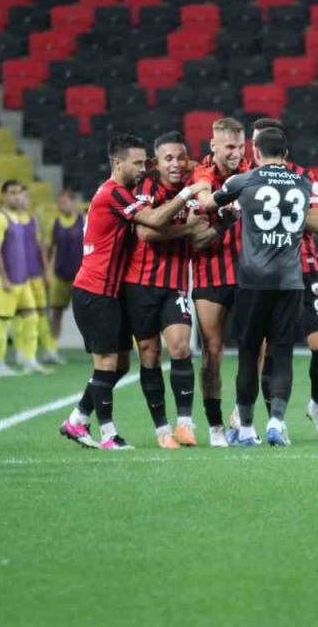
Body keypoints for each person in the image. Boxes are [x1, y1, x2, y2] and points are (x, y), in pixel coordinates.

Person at [57, 134, 192, 450]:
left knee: (120, 365)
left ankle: (77, 419)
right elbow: (153, 221)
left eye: (146, 161)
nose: (144, 168)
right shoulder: (113, 194)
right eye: (137, 162)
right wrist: (187, 194)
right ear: (118, 163)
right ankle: (108, 435)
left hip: (108, 292)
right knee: (105, 364)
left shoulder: (117, 192)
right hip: (95, 291)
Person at [212, 128, 316, 447]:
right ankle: (276, 422)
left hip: (253, 282)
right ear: (285, 154)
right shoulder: (303, 182)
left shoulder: (245, 180)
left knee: (247, 355)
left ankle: (245, 429)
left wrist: (202, 195)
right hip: (290, 281)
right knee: (282, 353)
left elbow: (211, 203)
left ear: (255, 152)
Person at [122, 131, 218, 448]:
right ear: (156, 162)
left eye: (180, 157)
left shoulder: (196, 185)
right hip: (139, 285)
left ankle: (185, 424)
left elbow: (200, 236)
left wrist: (217, 227)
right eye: (168, 158)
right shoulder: (147, 187)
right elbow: (146, 235)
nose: (175, 164)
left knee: (180, 349)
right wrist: (188, 226)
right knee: (149, 354)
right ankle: (162, 430)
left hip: (176, 283)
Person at [250, 118, 318, 443]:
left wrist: (281, 211)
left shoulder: (305, 177)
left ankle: (317, 405)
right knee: (271, 348)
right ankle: (277, 419)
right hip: (268, 274)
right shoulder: (248, 180)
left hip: (305, 268)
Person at [189, 118, 250, 436]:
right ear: (213, 146)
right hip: (211, 273)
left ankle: (241, 412)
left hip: (251, 274)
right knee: (212, 350)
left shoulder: (253, 169)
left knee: (257, 345)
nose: (236, 153)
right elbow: (195, 235)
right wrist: (225, 219)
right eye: (229, 147)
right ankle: (214, 425)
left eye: (241, 146)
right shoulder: (201, 176)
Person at [0, 180, 47, 377]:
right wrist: (3, 277)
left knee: (32, 318)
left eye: (18, 192)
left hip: (23, 280)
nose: (16, 196)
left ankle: (29, 360)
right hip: (6, 281)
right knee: (2, 322)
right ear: (3, 196)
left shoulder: (20, 218)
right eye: (11, 193)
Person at [17, 187, 62, 366]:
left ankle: (49, 350)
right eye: (21, 196)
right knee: (20, 316)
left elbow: (41, 248)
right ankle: (22, 352)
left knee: (42, 314)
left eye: (26, 196)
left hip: (35, 274)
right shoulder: (5, 220)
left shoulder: (33, 221)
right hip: (17, 277)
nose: (24, 200)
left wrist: (46, 272)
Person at [47, 189, 83, 350]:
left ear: (74, 203)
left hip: (81, 277)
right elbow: (49, 248)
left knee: (85, 315)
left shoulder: (84, 221)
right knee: (56, 313)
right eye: (60, 202)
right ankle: (52, 349)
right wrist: (46, 272)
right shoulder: (55, 223)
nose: (61, 205)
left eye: (64, 202)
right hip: (60, 276)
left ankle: (92, 348)